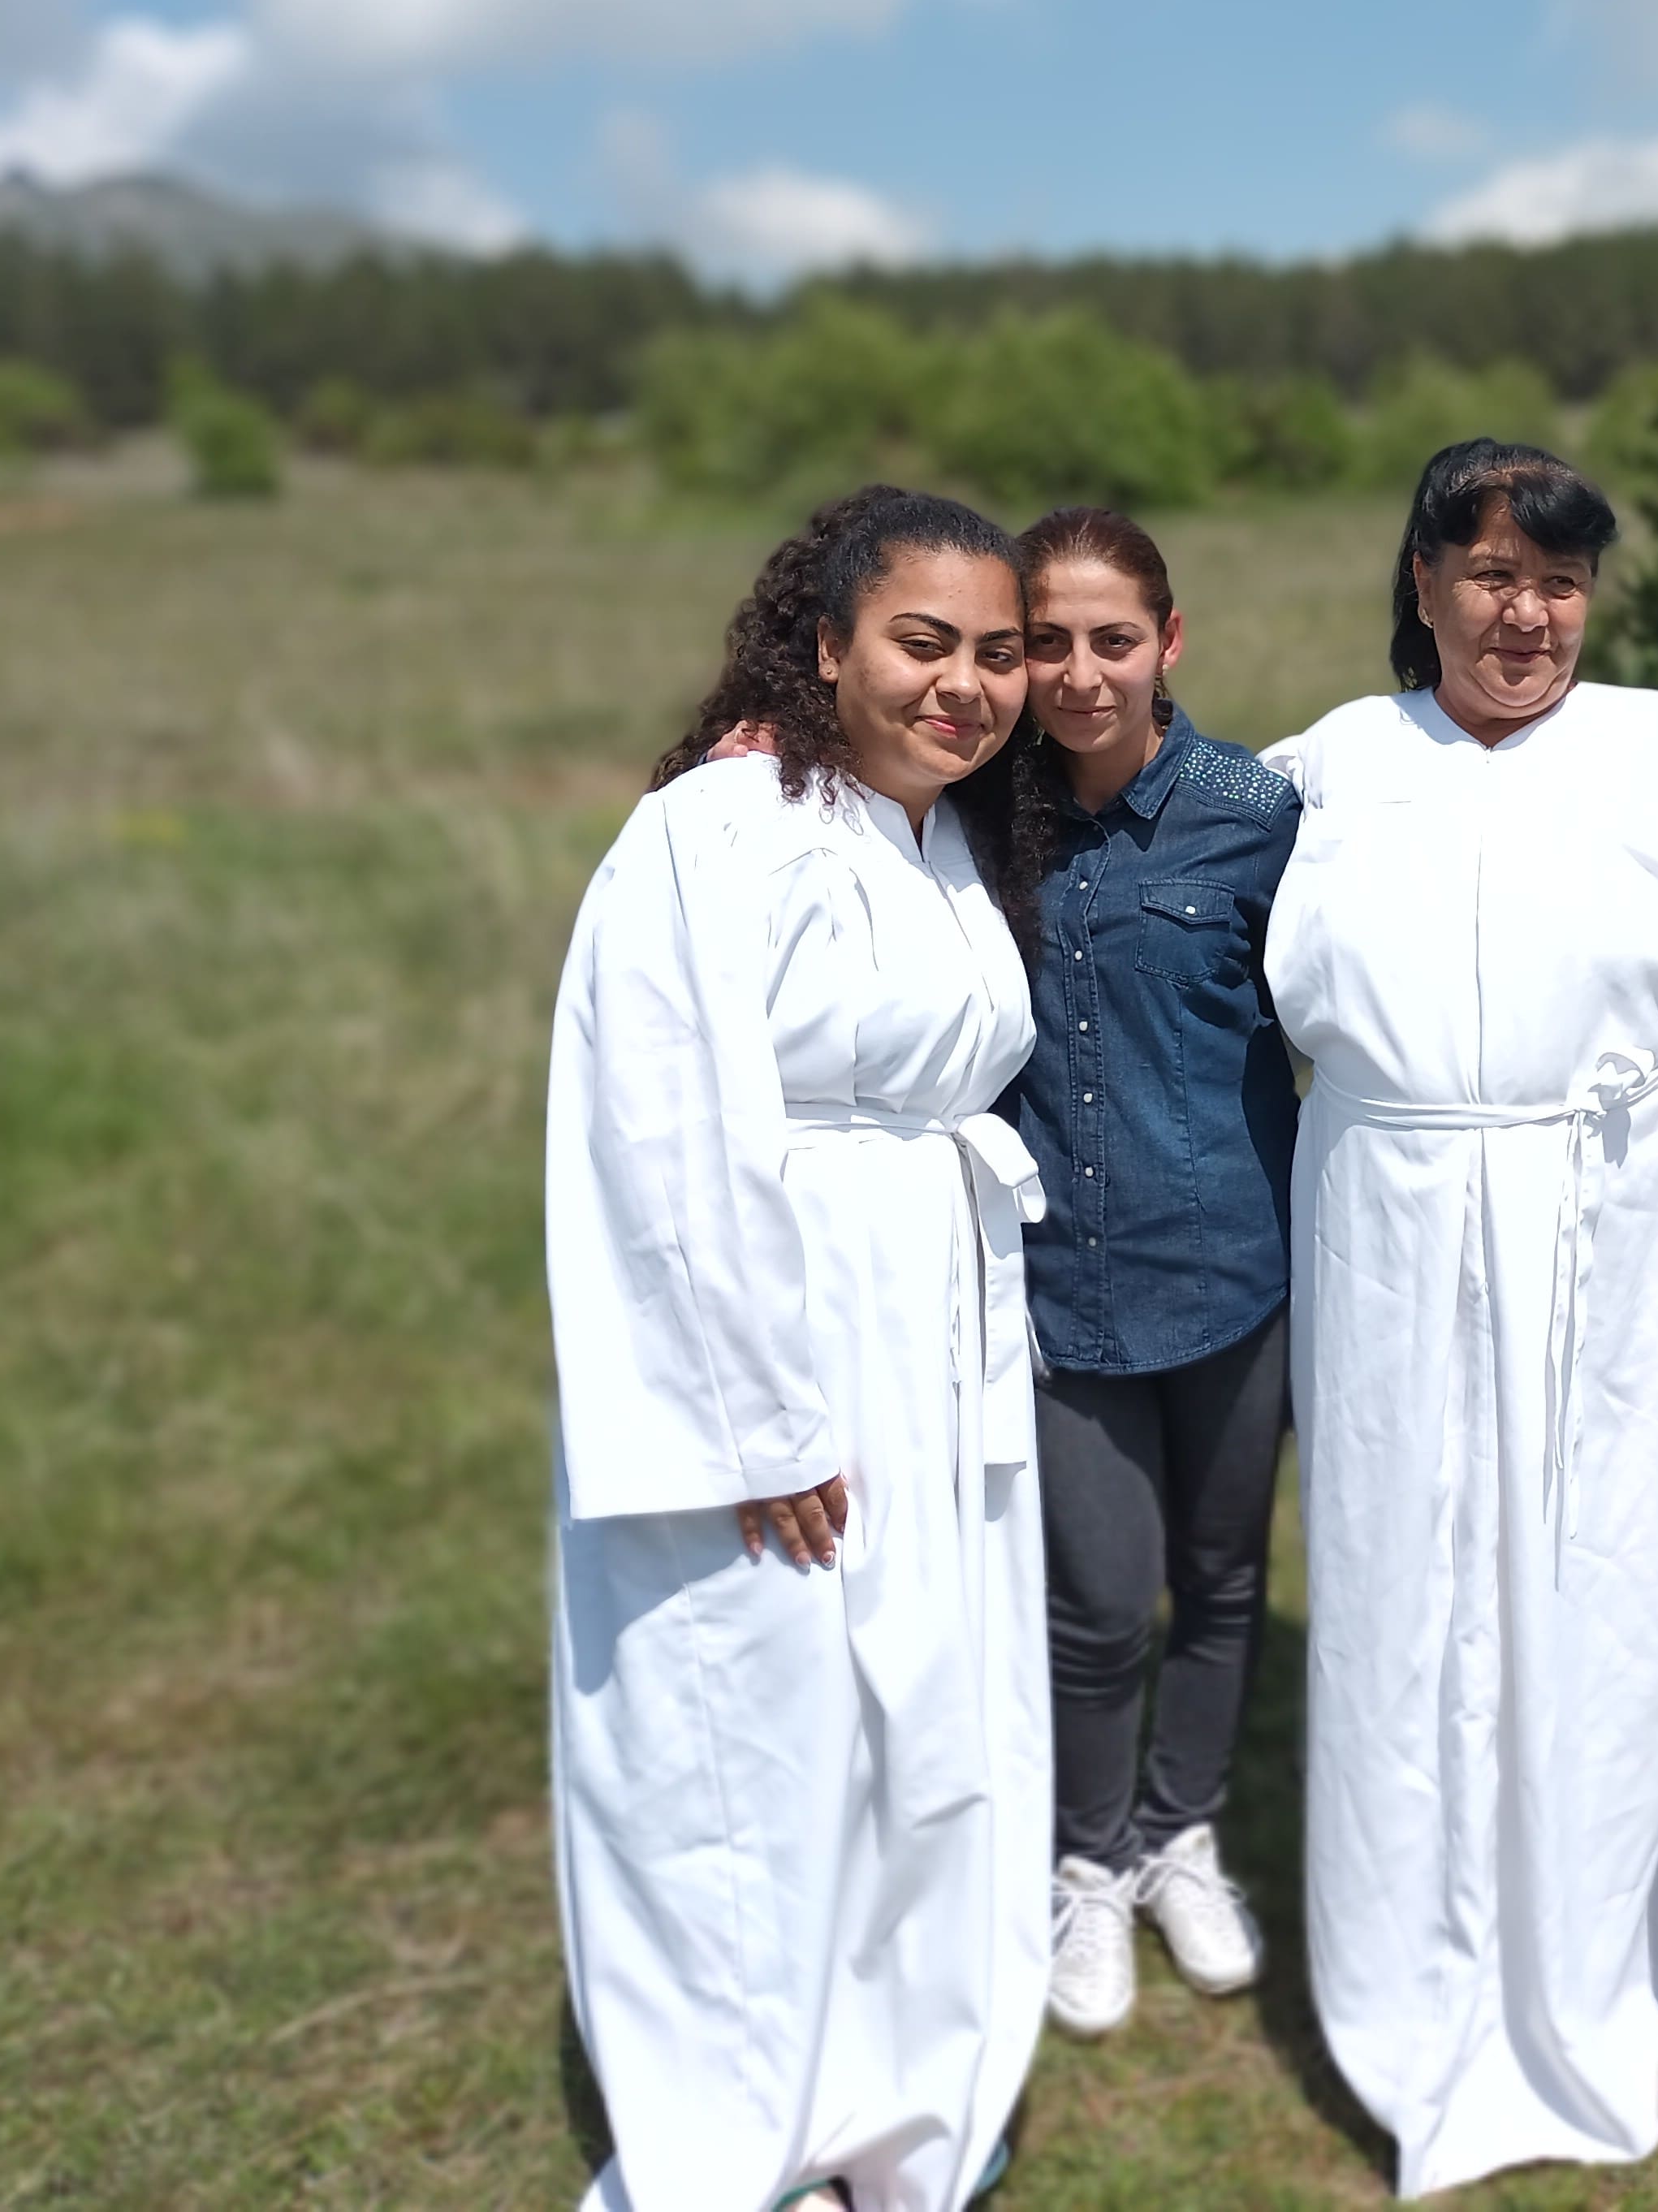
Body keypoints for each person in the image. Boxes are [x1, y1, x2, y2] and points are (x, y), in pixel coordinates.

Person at [1259, 439, 1658, 2197]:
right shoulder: (1323, 768)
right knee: (1407, 1586)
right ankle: (1414, 1964)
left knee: (1614, 1574)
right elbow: (1113, 836)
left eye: (1553, 581)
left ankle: (1612, 1938)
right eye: (1484, 574)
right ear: (1420, 584)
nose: (1521, 614)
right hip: (1388, 1222)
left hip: (1617, 1222)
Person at [545, 486, 1048, 2212]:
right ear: (824, 644)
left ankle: (887, 2113)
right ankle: (727, 2145)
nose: (964, 687)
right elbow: (662, 1139)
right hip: (780, 1347)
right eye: (923, 645)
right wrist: (750, 1423)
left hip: (930, 1330)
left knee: (911, 1728)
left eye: (995, 653)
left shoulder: (944, 838)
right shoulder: (720, 827)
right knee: (750, 1739)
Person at [995, 507, 1298, 2039]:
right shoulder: (980, 813)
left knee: (1226, 1580)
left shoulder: (1261, 811)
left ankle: (1185, 1832)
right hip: (1064, 1290)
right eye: (1045, 641)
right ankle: (1088, 1864)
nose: (1079, 672)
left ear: (1168, 642)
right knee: (1102, 1607)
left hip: (1240, 1278)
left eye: (1112, 639)